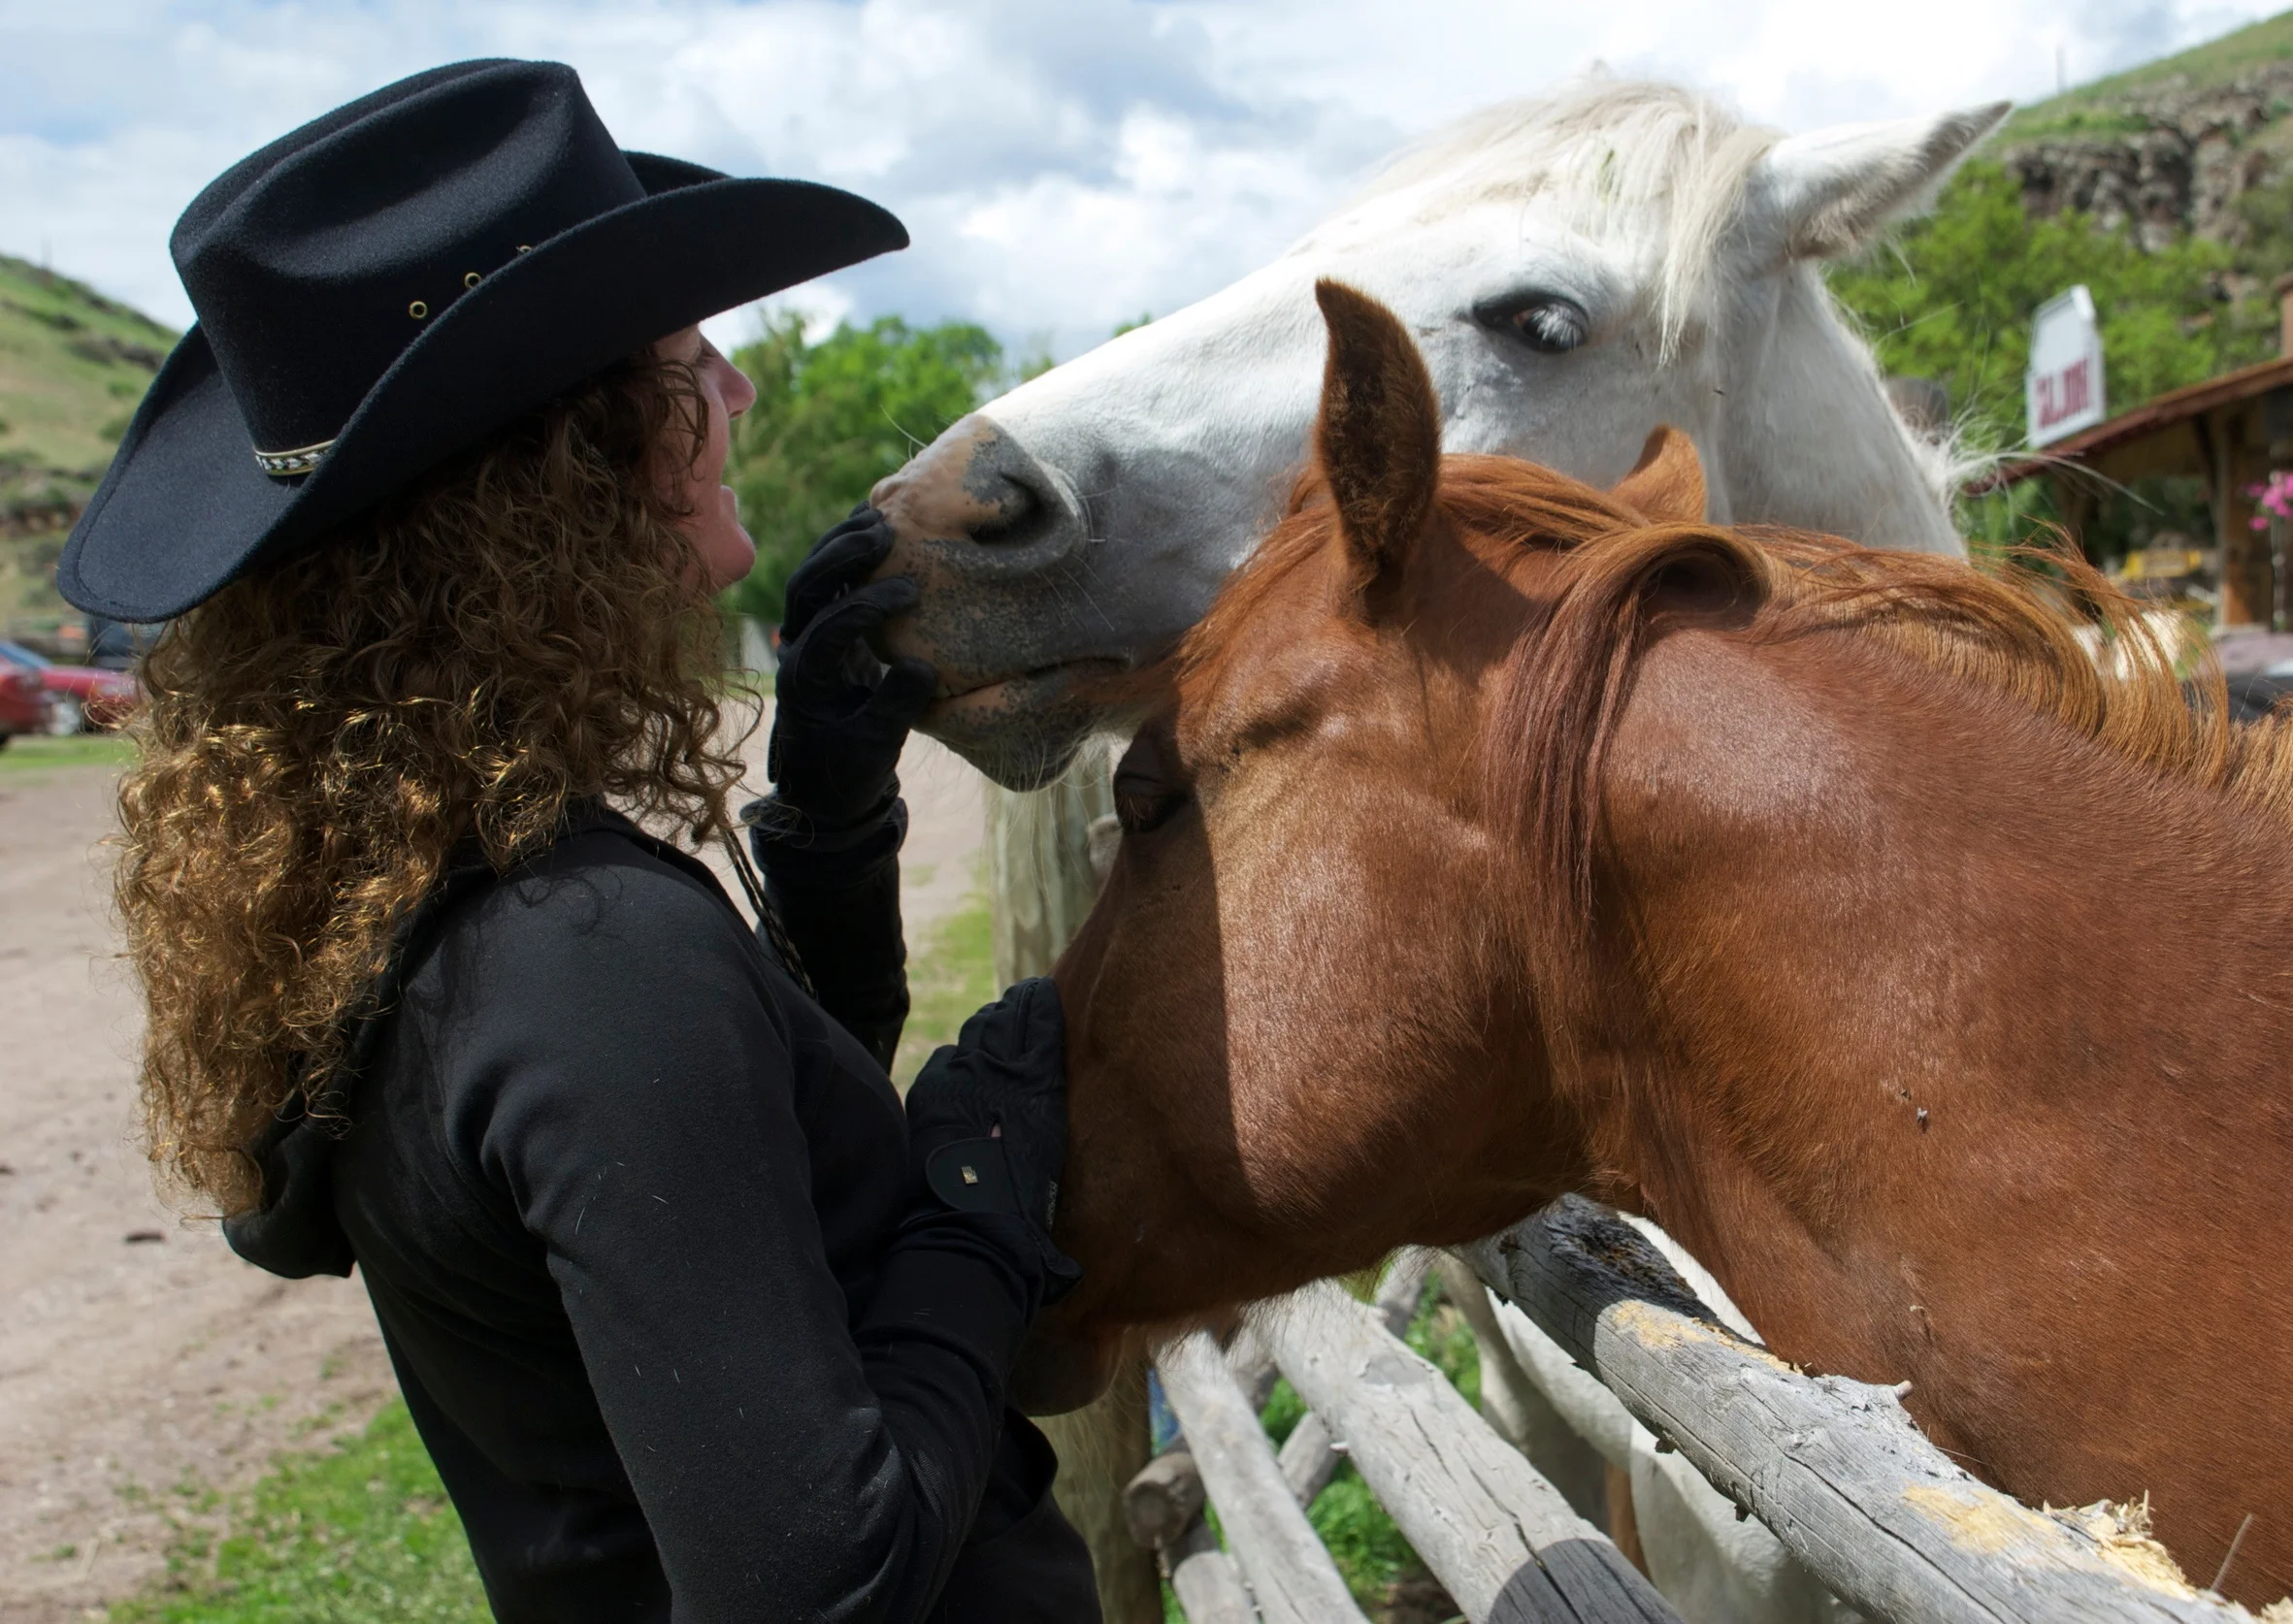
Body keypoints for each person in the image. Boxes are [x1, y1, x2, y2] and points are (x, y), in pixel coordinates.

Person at [59, 60, 1098, 1623]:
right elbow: (816, 1581)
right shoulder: (579, 961)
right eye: (689, 357)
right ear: (566, 468)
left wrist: (824, 818)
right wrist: (976, 1205)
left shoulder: (443, 901)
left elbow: (744, 1172)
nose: (738, 390)